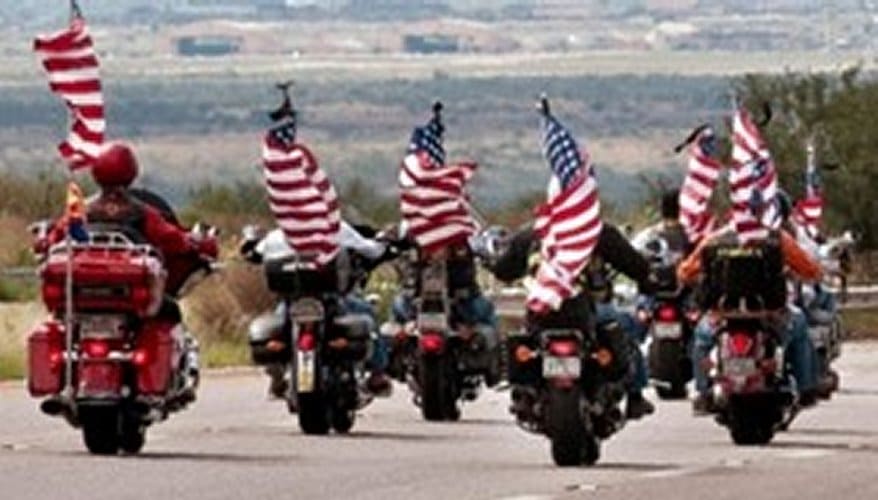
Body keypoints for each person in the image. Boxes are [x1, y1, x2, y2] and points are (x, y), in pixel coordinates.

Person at [40, 141, 217, 399]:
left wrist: (44, 242)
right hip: (128, 301)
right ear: (131, 171)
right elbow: (176, 240)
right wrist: (196, 242)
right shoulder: (142, 212)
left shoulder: (81, 211)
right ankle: (168, 382)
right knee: (171, 311)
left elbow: (53, 238)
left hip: (82, 301)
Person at [483, 221, 660, 420]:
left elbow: (504, 271)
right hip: (589, 311)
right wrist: (647, 278)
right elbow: (635, 266)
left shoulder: (532, 234)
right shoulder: (599, 232)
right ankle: (635, 395)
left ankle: (524, 393)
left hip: (542, 313)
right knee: (624, 327)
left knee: (528, 339)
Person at [678, 212, 823, 414]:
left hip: (722, 317)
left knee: (701, 342)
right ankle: (806, 388)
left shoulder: (715, 239)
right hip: (770, 316)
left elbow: (685, 272)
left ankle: (703, 393)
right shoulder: (777, 238)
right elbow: (810, 270)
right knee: (799, 326)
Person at [241, 220, 399, 398]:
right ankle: (378, 374)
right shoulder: (338, 229)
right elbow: (372, 250)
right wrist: (386, 246)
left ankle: (277, 375)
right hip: (329, 299)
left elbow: (256, 253)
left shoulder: (279, 234)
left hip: (292, 301)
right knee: (366, 312)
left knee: (280, 323)